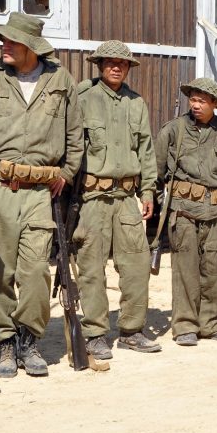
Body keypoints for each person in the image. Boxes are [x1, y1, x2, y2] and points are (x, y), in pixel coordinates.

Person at [0, 12, 82, 378]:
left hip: (40, 192)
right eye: (3, 41)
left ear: (31, 47)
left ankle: (29, 340)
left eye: (11, 41)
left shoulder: (60, 80)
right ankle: (5, 344)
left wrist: (67, 171)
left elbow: (75, 134)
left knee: (34, 274)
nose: (4, 46)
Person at [71, 41, 159, 359]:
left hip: (126, 196)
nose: (116, 67)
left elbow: (146, 151)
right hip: (92, 197)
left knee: (136, 264)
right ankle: (95, 333)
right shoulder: (83, 97)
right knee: (92, 268)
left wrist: (148, 191)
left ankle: (132, 330)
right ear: (100, 65)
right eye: (110, 62)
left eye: (121, 63)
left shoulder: (136, 103)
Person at [156, 77, 217, 346]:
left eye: (203, 100)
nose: (196, 105)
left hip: (215, 212)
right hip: (183, 213)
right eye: (193, 99)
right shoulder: (174, 130)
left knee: (214, 271)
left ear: (215, 103)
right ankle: (185, 326)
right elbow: (155, 172)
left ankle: (211, 324)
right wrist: (162, 202)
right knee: (185, 271)